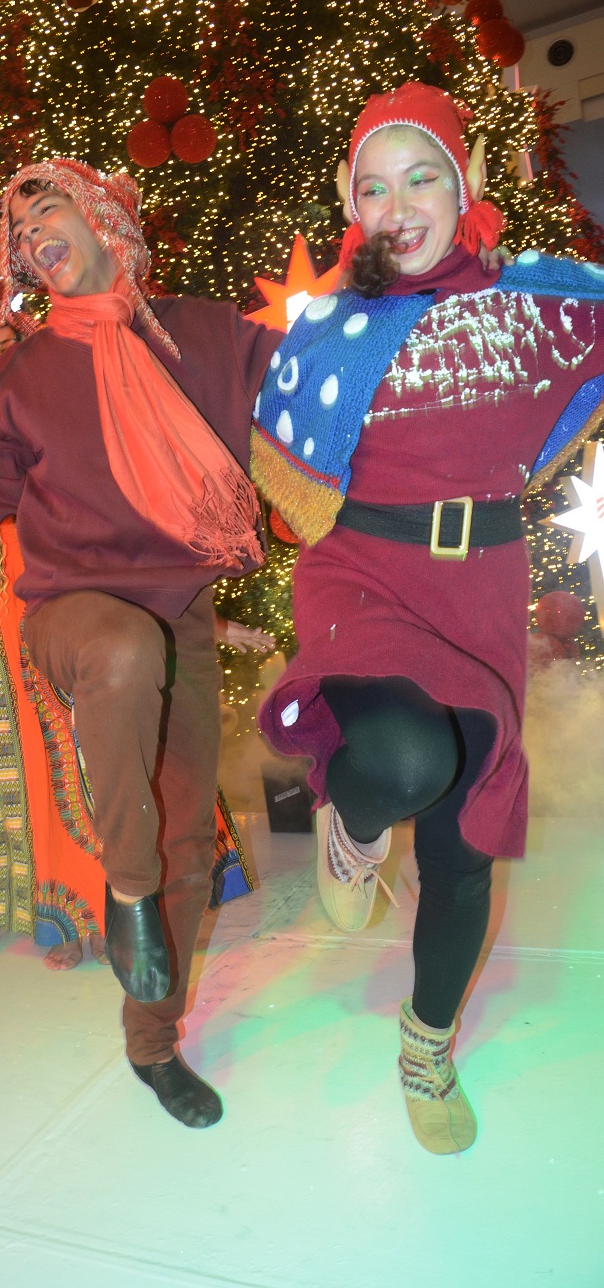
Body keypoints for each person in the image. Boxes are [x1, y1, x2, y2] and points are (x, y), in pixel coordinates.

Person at [0, 159, 280, 1127]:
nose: (33, 238)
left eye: (47, 214)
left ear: (102, 211)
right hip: (74, 615)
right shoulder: (25, 371)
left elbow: (309, 403)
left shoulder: (200, 333)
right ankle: (125, 892)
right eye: (19, 233)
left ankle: (151, 1043)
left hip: (182, 619)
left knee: (187, 846)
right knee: (120, 656)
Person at [251, 81, 604, 1154]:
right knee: (403, 760)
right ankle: (350, 826)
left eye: (419, 179)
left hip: (481, 585)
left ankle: (425, 1044)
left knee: (460, 850)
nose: (395, 205)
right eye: (371, 187)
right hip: (360, 574)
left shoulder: (539, 312)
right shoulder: (324, 327)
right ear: (347, 203)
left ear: (468, 184)